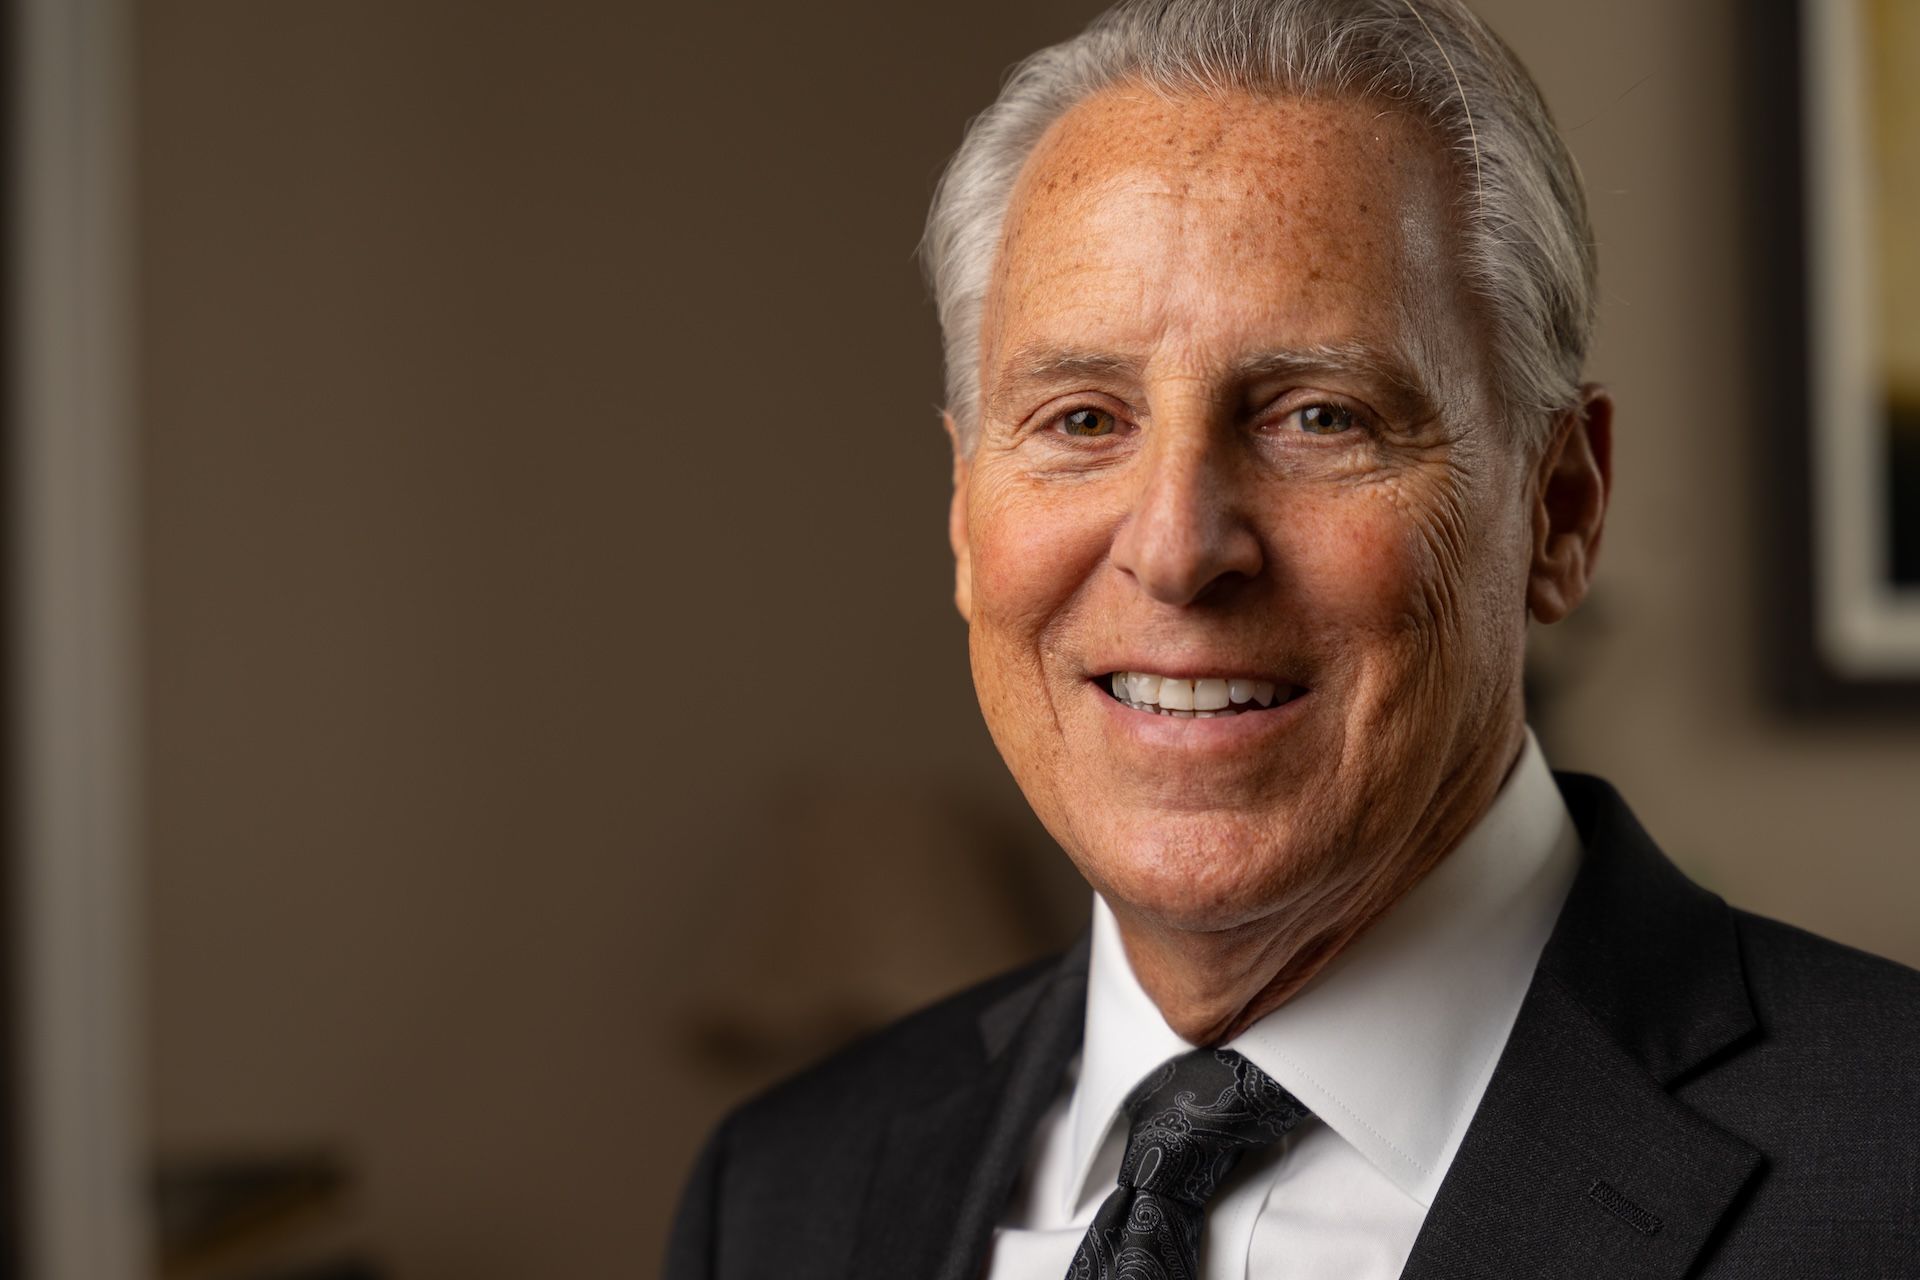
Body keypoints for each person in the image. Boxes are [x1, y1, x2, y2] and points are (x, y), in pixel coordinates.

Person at [665, 1, 1920, 1275]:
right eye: (1083, 419)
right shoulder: (779, 1197)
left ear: (1560, 507)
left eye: (1319, 415)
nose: (1176, 545)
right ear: (961, 510)